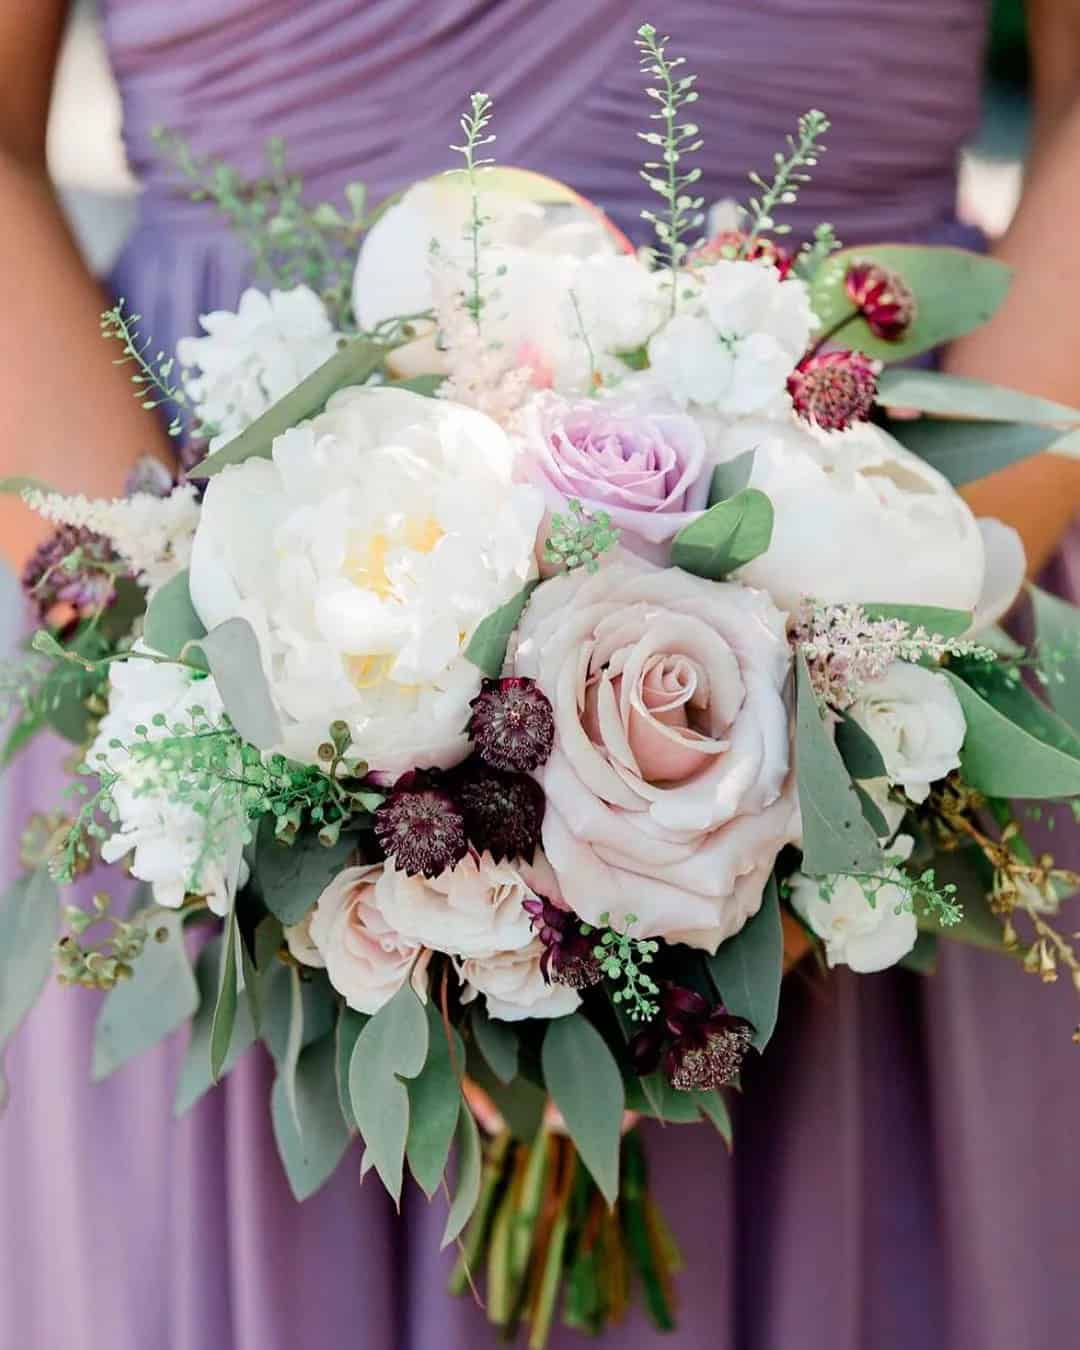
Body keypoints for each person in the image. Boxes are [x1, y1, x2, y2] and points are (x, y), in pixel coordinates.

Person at [0, 3, 1077, 1348]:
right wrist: (209, 684)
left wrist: (829, 740)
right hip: (213, 564)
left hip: (900, 563)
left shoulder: (877, 687)